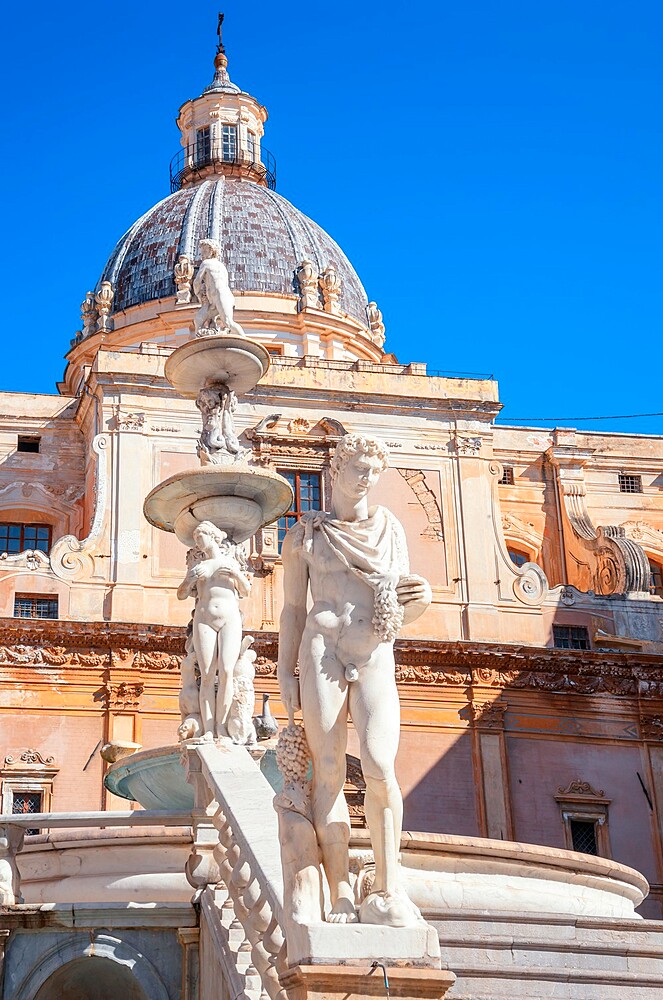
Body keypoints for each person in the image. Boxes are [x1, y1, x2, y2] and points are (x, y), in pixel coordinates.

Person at [277, 434, 431, 925]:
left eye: (372, 470)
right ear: (336, 469)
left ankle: (390, 886)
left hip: (374, 653)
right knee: (327, 771)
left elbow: (402, 604)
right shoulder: (304, 535)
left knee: (381, 765)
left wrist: (423, 596)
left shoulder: (391, 529)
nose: (365, 477)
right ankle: (340, 888)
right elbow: (292, 610)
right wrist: (283, 668)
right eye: (357, 468)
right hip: (320, 649)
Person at [178, 521, 251, 739]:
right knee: (208, 674)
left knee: (227, 672)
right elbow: (181, 594)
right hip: (204, 618)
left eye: (201, 537)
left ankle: (221, 727)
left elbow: (245, 591)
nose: (199, 542)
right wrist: (190, 579)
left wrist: (236, 575)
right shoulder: (198, 567)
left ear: (213, 537)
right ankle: (209, 729)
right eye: (196, 538)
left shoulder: (230, 562)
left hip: (229, 618)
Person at [193, 238, 245, 337]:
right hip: (218, 300)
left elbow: (196, 283)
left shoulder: (206, 263)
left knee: (228, 322)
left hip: (221, 297)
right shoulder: (222, 266)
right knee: (198, 319)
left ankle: (246, 343)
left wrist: (198, 294)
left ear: (211, 251)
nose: (202, 255)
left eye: (204, 251)